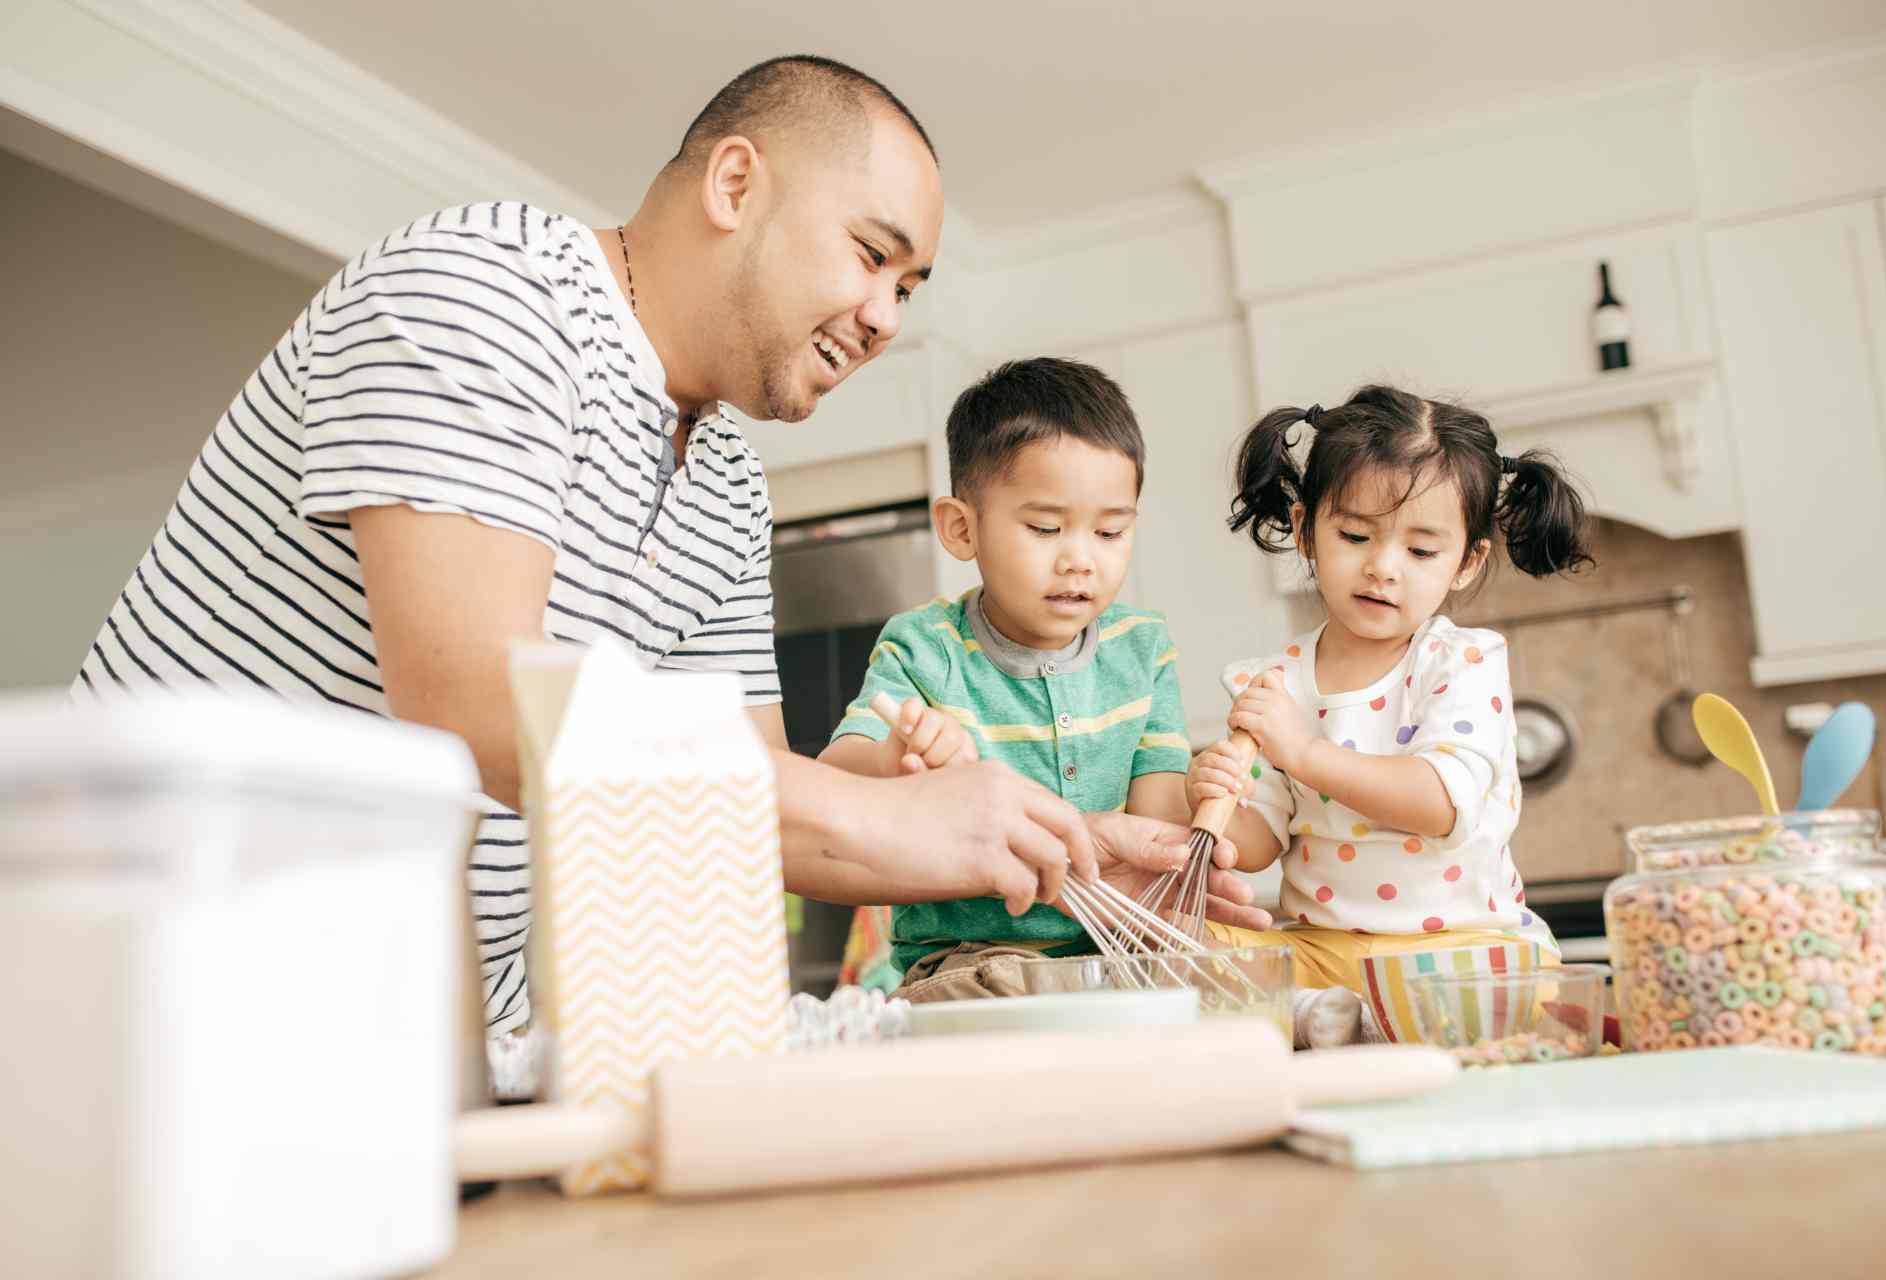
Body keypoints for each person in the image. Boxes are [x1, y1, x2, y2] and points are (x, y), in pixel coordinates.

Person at [70, 55, 1252, 1031]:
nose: (889, 316)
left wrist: (1070, 850)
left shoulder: (729, 482)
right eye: (871, 254)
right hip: (150, 983)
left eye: (913, 286)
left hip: (420, 1025)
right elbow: (474, 708)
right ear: (736, 182)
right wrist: (908, 816)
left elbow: (759, 808)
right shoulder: (487, 287)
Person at [823, 358, 1272, 1001]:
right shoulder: (924, 651)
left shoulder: (1141, 649)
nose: (1080, 559)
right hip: (968, 961)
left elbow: (1154, 829)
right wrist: (897, 761)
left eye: (1110, 530)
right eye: (1044, 528)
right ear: (961, 527)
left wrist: (1206, 797)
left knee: (1246, 998)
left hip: (1114, 950)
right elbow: (835, 779)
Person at [1186, 385, 1593, 1045]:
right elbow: (1256, 846)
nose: (1382, 567)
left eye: (1421, 551)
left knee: (1506, 991)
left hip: (1465, 953)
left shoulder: (1461, 662)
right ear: (1304, 530)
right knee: (1174, 944)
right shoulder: (1274, 682)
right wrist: (1210, 791)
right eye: (1354, 535)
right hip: (1326, 954)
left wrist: (1305, 753)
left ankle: (1357, 1026)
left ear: (1466, 562)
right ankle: (1352, 1022)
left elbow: (1440, 804)